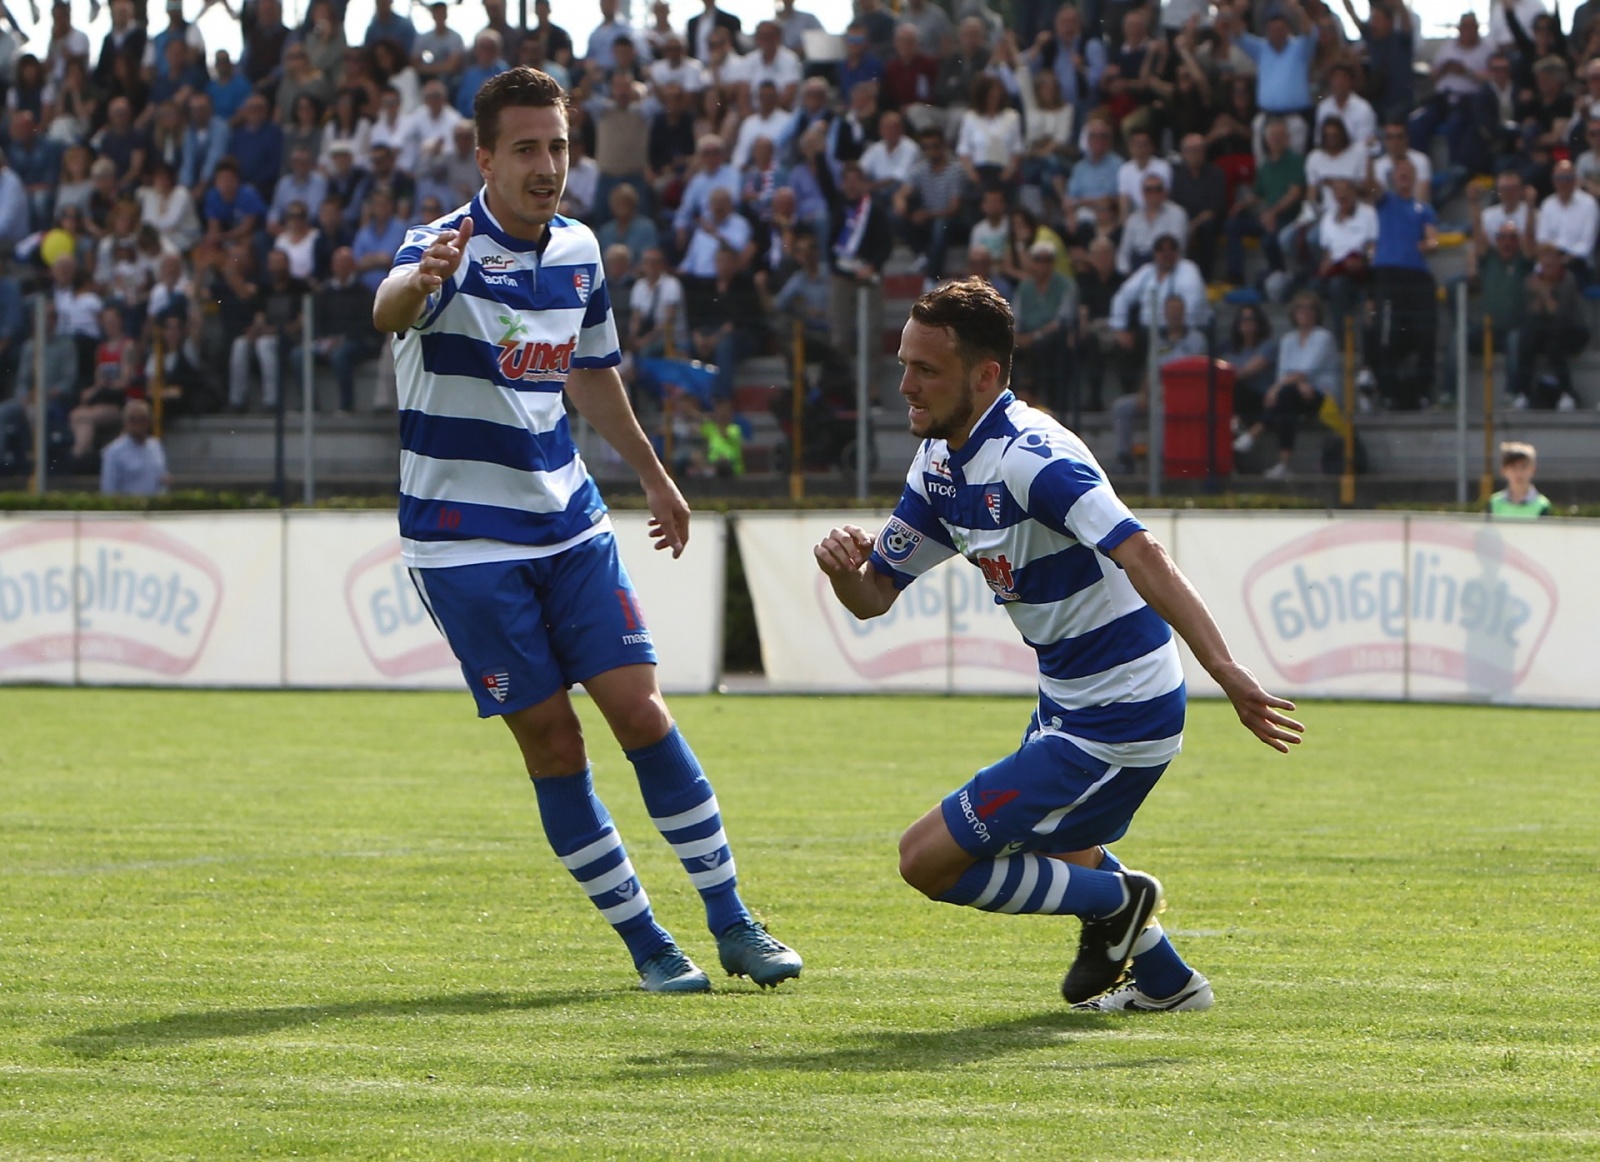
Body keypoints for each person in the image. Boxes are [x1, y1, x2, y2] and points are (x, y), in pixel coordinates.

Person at [371, 67, 801, 994]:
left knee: (642, 713)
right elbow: (389, 306)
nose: (547, 166)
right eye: (525, 148)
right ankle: (650, 944)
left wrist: (654, 474)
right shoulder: (443, 248)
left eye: (559, 146)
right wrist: (420, 278)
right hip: (464, 547)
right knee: (556, 745)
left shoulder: (579, 250)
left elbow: (592, 373)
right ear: (484, 157)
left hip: (569, 523)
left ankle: (734, 923)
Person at [812, 278, 1303, 1013]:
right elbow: (876, 595)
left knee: (927, 861)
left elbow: (1143, 554)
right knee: (1060, 849)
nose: (906, 385)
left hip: (1120, 716)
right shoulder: (940, 465)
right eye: (904, 364)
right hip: (1067, 705)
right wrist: (845, 572)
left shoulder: (1032, 457)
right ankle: (1171, 986)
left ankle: (1119, 902)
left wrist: (1227, 672)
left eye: (926, 370)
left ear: (985, 376)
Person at [99, 398, 170, 495]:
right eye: (133, 420)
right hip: (128, 508)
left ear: (149, 421)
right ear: (125, 422)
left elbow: (163, 477)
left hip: (155, 507)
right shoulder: (114, 451)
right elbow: (109, 489)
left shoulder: (156, 446)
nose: (138, 424)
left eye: (142, 419)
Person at [1489, 441, 1553, 518]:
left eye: (1524, 467)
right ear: (1503, 470)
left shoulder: (1542, 505)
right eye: (1513, 467)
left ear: (1533, 470)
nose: (1518, 473)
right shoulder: (1494, 503)